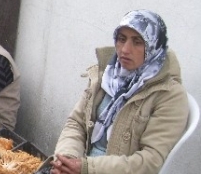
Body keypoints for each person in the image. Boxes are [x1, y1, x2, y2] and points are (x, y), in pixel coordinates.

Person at [51, 10, 189, 174]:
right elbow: (77, 123)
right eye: (121, 39)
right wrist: (67, 160)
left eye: (137, 42)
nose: (125, 49)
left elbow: (150, 161)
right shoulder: (106, 76)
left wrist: (87, 168)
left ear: (153, 46)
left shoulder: (169, 95)